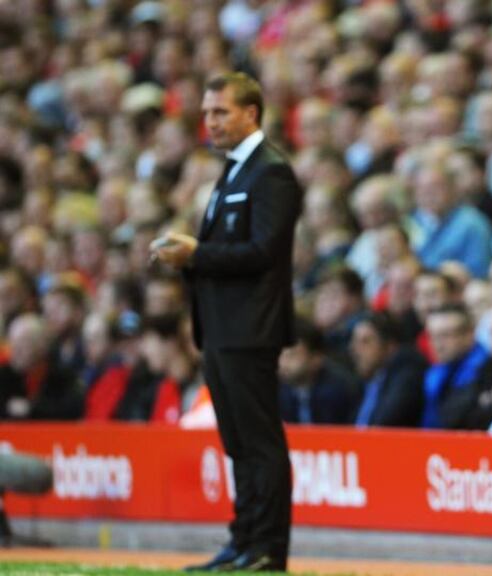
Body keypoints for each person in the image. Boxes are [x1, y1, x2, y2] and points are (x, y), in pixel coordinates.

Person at [151, 72, 301, 572]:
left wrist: (197, 254)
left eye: (220, 112)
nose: (209, 122)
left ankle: (266, 548)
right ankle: (243, 541)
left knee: (258, 443)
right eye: (206, 113)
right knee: (238, 444)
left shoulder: (271, 172)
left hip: (250, 328)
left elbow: (264, 251)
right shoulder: (237, 171)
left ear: (251, 114)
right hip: (223, 329)